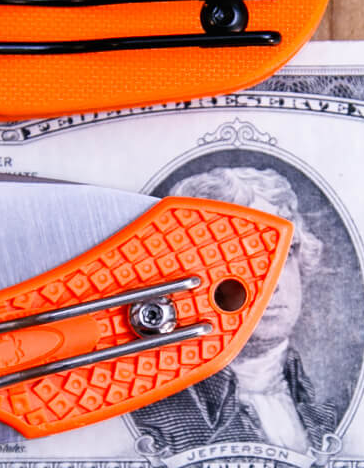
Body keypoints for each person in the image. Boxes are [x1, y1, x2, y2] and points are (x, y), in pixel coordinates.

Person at [133, 166, 340, 452]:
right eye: (243, 259)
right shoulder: (159, 421)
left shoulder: (323, 417)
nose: (272, 285)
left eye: (285, 253)